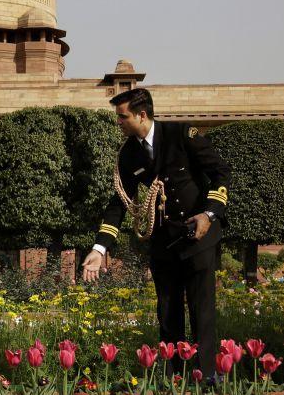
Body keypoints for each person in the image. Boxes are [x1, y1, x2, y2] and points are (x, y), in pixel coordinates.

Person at [81, 88, 230, 379]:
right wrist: (99, 250)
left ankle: (207, 377)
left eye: (122, 117)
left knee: (202, 312)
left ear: (142, 114)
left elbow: (221, 172)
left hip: (199, 235)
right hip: (164, 242)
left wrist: (210, 213)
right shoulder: (128, 154)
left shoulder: (181, 135)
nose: (118, 123)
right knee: (168, 314)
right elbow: (119, 202)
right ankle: (174, 378)